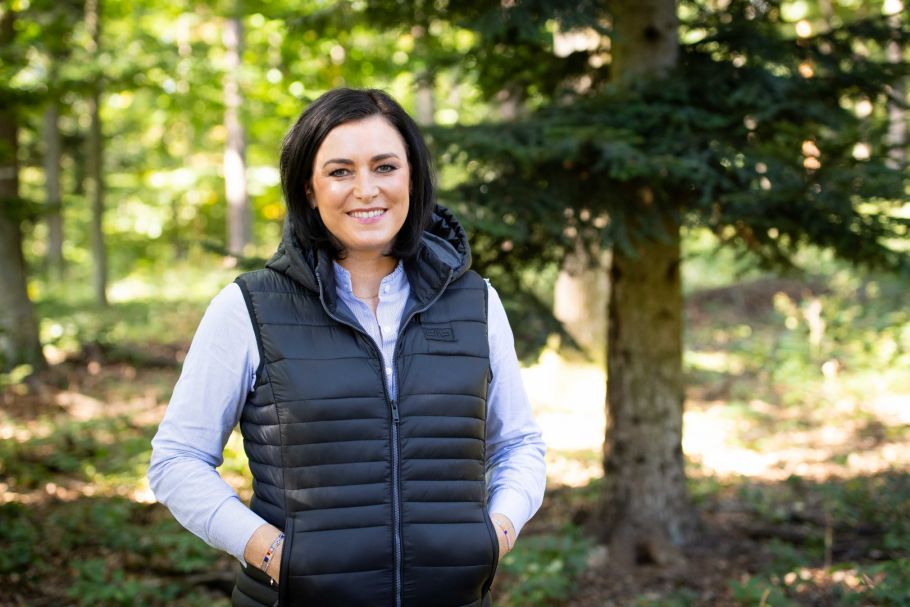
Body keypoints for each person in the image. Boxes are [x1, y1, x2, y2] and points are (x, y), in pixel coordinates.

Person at [148, 88, 546, 607]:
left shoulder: (476, 302)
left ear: (412, 178)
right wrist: (273, 554)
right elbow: (177, 459)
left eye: (385, 167)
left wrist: (498, 532)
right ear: (309, 190)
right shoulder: (248, 307)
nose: (366, 189)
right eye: (340, 171)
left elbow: (519, 444)